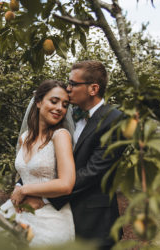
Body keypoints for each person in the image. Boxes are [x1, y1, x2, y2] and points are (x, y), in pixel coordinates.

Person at [19, 60, 124, 249]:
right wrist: (22, 185)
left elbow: (92, 172)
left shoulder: (114, 120)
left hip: (93, 221)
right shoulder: (66, 113)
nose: (67, 89)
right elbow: (41, 156)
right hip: (53, 217)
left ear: (93, 89)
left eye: (73, 84)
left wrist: (41, 196)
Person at [0, 79, 76, 246]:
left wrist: (26, 189)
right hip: (20, 211)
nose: (59, 108)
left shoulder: (60, 136)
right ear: (39, 102)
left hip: (49, 218)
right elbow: (24, 173)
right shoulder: (24, 137)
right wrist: (18, 188)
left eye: (64, 105)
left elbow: (66, 184)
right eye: (54, 101)